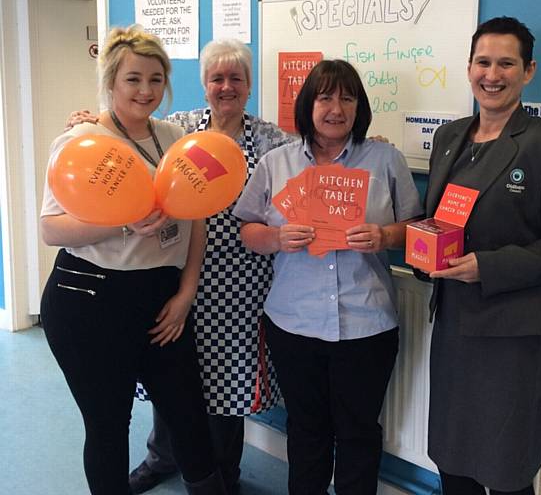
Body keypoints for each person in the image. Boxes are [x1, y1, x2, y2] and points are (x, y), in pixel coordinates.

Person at [68, 38, 292, 495]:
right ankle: (162, 457)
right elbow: (126, 136)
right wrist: (89, 121)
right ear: (204, 85)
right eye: (217, 78)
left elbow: (314, 153)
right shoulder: (181, 128)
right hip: (172, 277)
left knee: (228, 381)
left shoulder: (271, 140)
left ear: (249, 86)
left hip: (240, 283)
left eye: (236, 78)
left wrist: (368, 140)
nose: (226, 87)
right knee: (169, 382)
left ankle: (223, 471)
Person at [40, 26, 226, 494]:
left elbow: (196, 217)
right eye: (133, 79)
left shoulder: (176, 135)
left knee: (187, 413)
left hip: (161, 297)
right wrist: (125, 224)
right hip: (88, 298)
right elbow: (50, 229)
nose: (146, 91)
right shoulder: (81, 141)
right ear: (110, 82)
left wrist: (186, 293)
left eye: (156, 79)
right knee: (108, 424)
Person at [420, 17, 541, 495]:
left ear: (529, 71)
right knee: (452, 463)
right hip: (455, 327)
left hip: (513, 336)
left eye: (506, 63)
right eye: (483, 62)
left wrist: (488, 265)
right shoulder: (449, 138)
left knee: (506, 469)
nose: (491, 75)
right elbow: (439, 218)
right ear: (469, 67)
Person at [233, 59, 423, 495]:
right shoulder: (276, 162)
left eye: (347, 97)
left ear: (360, 106)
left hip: (366, 323)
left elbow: (416, 228)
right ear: (308, 104)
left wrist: (384, 235)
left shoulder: (385, 159)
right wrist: (278, 236)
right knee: (306, 429)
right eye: (325, 97)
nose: (336, 108)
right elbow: (248, 230)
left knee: (359, 432)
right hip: (293, 324)